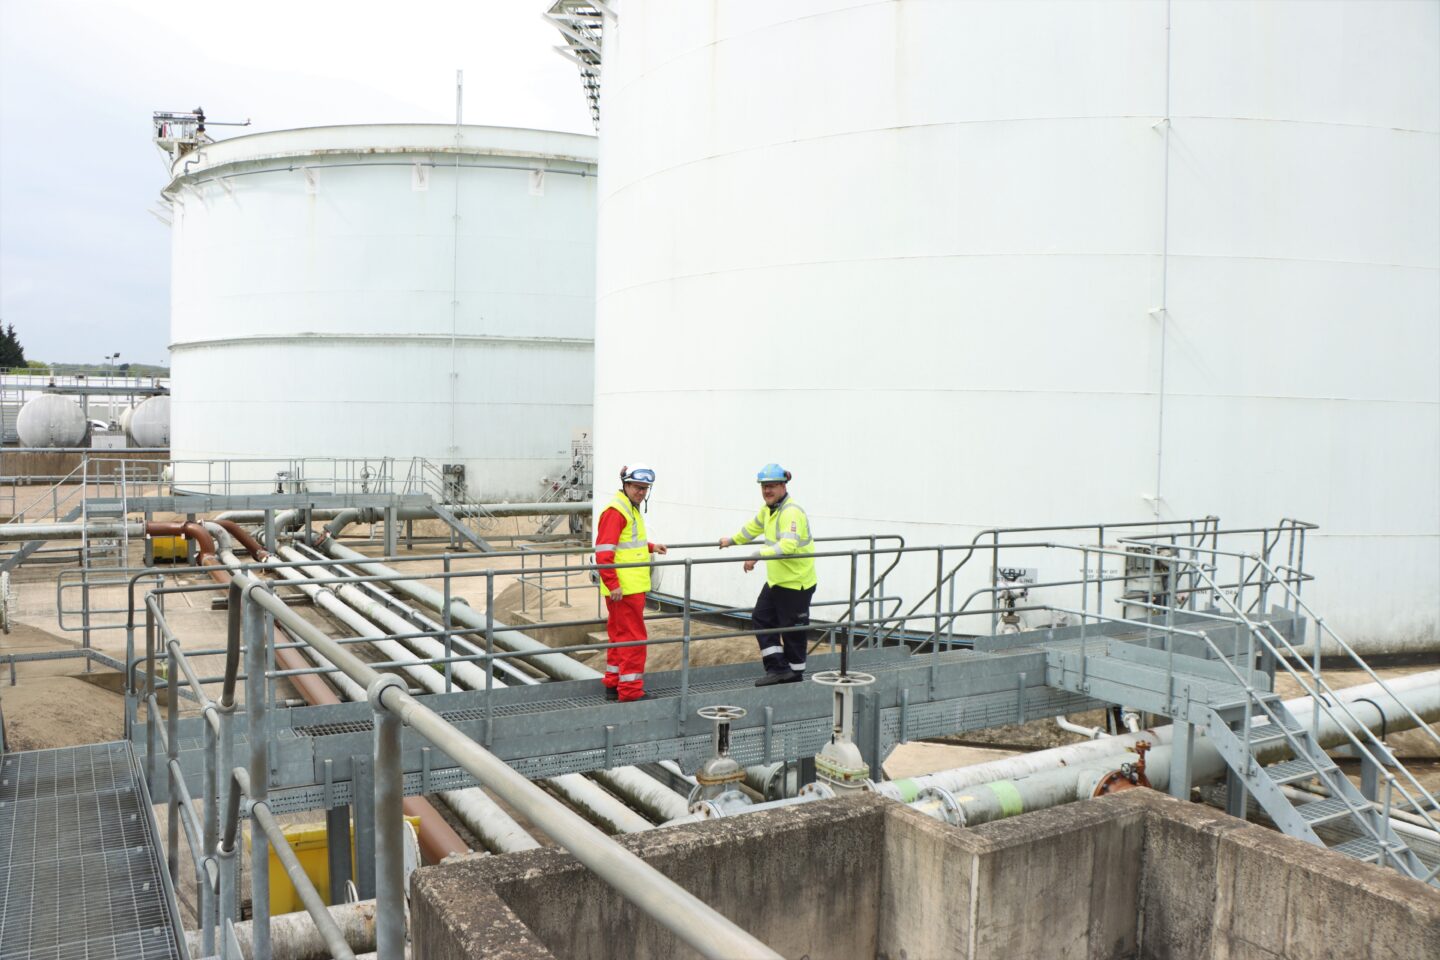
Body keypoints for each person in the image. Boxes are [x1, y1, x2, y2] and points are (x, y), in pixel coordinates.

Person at [719, 463, 816, 686]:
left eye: (772, 486)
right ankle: (777, 668)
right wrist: (731, 541)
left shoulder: (790, 512)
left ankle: (795, 675)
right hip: (777, 581)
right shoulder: (769, 510)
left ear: (783, 486)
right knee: (761, 618)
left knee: (792, 631)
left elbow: (788, 546)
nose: (767, 491)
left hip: (796, 583)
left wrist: (757, 555)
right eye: (764, 487)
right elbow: (752, 528)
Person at [594, 463, 667, 702]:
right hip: (624, 589)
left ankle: (614, 684)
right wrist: (613, 583)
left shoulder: (628, 508)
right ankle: (631, 691)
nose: (642, 492)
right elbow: (604, 552)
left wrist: (651, 547)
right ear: (625, 485)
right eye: (638, 487)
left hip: (627, 588)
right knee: (634, 640)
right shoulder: (617, 511)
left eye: (645, 488)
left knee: (619, 636)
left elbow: (628, 543)